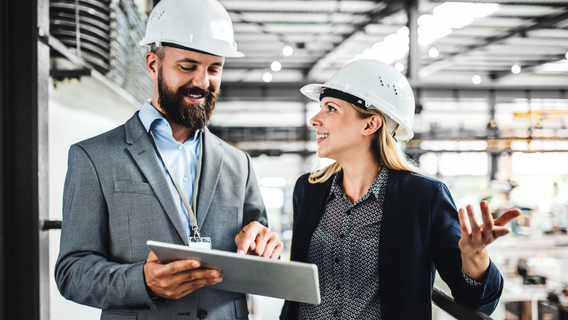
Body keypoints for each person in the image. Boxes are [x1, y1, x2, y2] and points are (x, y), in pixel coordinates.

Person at [55, 0, 282, 319]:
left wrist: (266, 245)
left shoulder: (237, 164)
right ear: (152, 64)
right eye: (188, 66)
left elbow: (258, 244)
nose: (203, 82)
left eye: (214, 68)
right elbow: (71, 273)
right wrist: (142, 282)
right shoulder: (93, 157)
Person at [280, 59, 521, 320]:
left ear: (370, 124)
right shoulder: (309, 189)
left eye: (330, 109)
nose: (315, 119)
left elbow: (479, 302)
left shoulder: (423, 198)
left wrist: (475, 256)